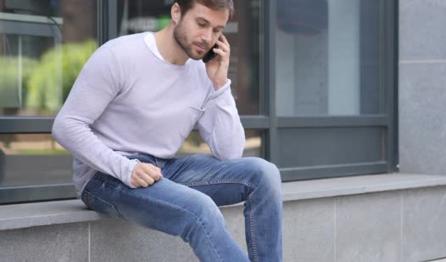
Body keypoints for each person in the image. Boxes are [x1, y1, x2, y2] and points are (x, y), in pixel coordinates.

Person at [51, 0, 283, 261]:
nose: (208, 38)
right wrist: (126, 169)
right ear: (176, 12)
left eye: (217, 30)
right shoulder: (120, 55)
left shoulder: (204, 72)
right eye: (201, 24)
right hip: (105, 177)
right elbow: (66, 125)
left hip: (162, 169)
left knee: (265, 174)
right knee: (200, 209)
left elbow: (230, 153)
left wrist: (220, 85)